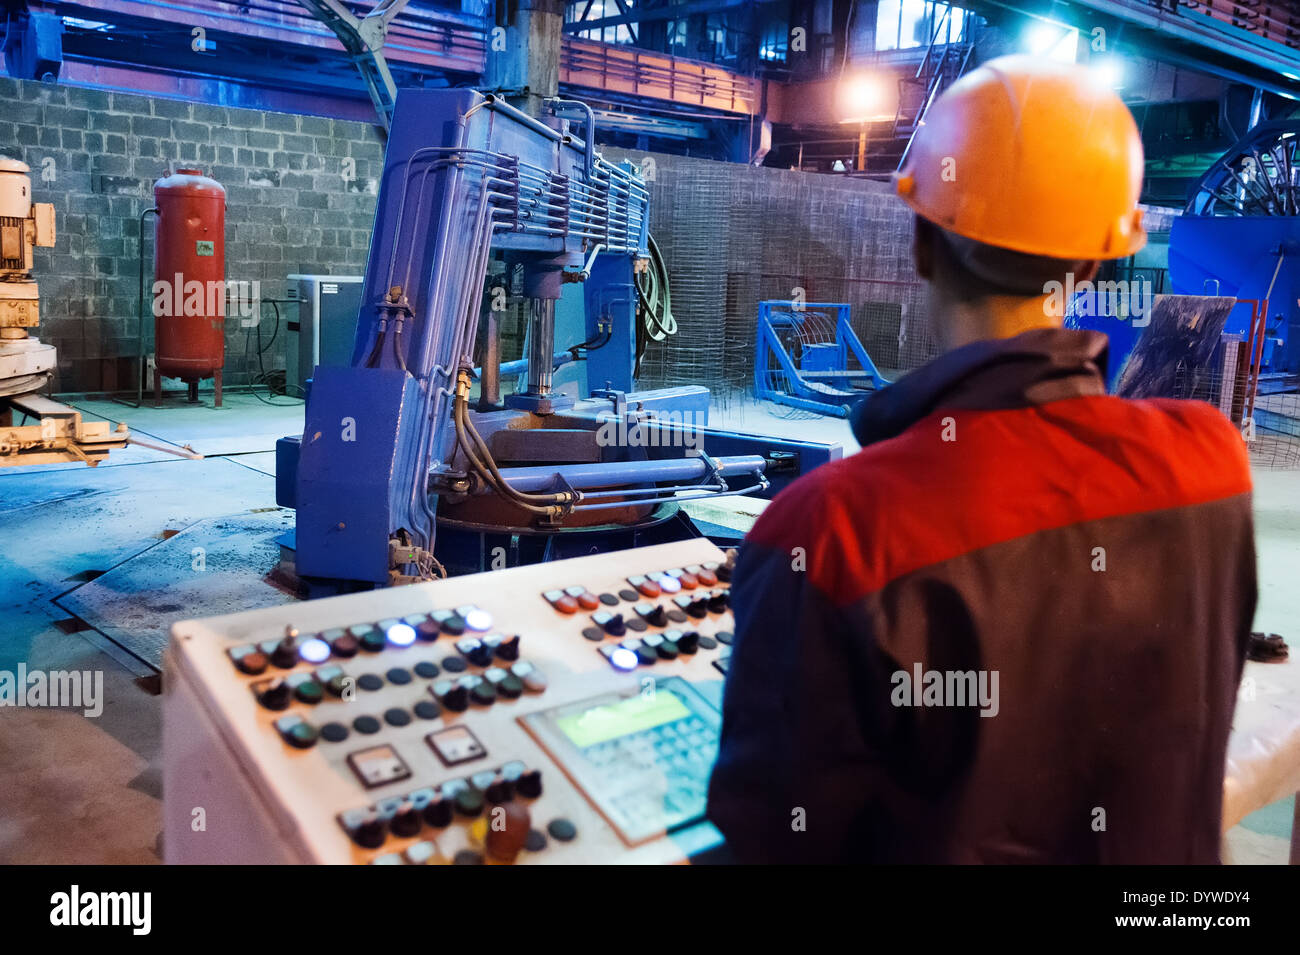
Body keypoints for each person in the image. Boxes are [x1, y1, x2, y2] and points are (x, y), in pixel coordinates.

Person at [706, 55, 1256, 864]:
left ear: (925, 240)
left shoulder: (833, 533)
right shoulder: (1213, 465)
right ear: (1099, 261)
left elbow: (771, 842)